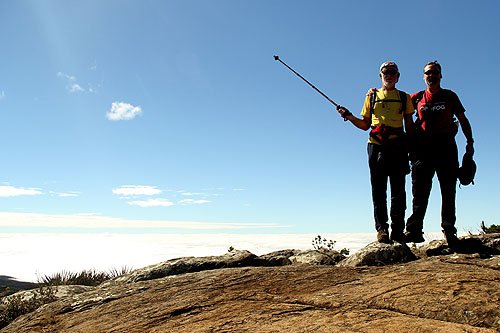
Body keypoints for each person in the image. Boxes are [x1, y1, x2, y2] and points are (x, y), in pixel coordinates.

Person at [336, 62, 414, 243]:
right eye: (386, 72)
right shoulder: (371, 97)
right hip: (376, 146)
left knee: (398, 191)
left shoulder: (404, 97)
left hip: (397, 147)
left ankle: (397, 230)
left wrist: (412, 146)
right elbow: (365, 125)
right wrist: (348, 116)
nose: (389, 75)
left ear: (398, 76)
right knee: (378, 191)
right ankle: (382, 229)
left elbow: (409, 126)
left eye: (392, 72)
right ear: (380, 76)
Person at [404, 61, 474, 246]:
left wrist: (470, 143)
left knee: (448, 191)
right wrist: (373, 92)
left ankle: (449, 230)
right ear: (423, 76)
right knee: (419, 192)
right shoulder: (416, 98)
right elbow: (397, 105)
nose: (431, 76)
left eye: (434, 72)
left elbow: (463, 119)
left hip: (446, 147)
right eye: (428, 73)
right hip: (423, 150)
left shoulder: (450, 96)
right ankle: (414, 230)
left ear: (440, 75)